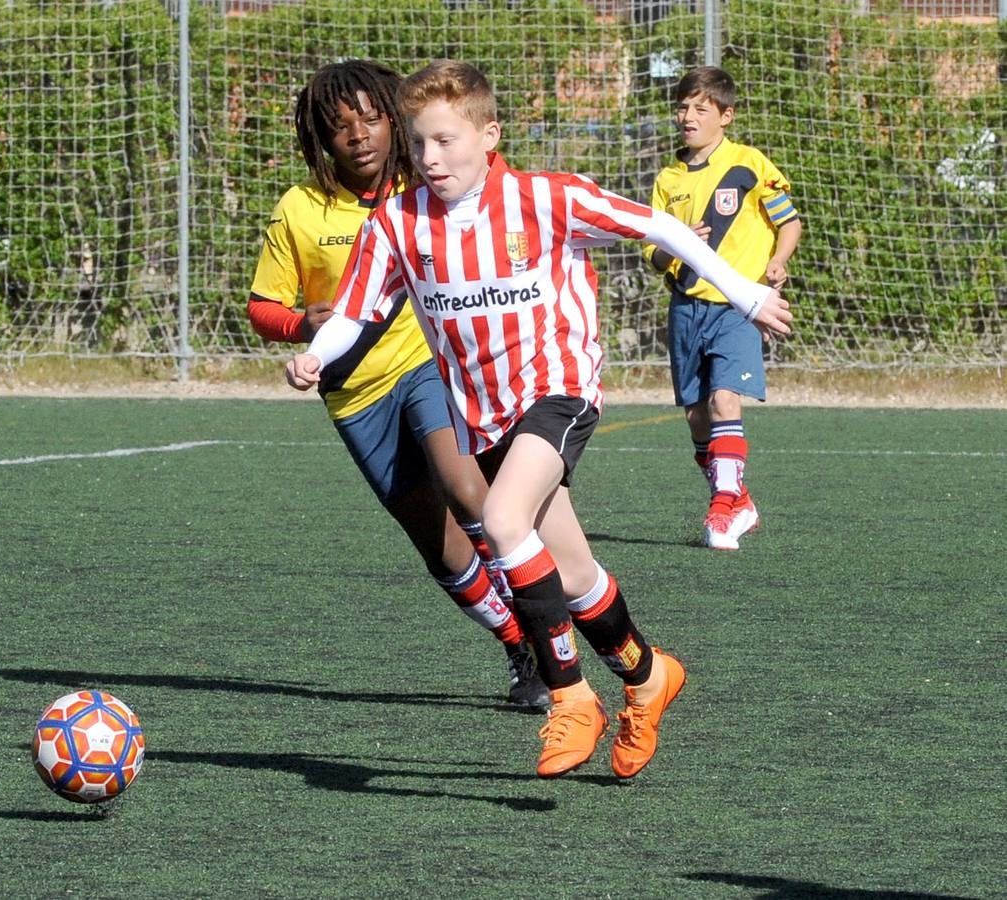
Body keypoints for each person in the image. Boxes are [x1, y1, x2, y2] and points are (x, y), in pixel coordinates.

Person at [286, 60, 793, 779]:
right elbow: (358, 311)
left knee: (499, 524)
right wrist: (316, 353)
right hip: (483, 416)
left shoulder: (542, 199)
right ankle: (649, 677)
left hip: (557, 392)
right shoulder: (396, 224)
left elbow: (657, 225)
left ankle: (570, 698)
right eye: (419, 144)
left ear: (488, 135)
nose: (430, 159)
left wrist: (742, 293)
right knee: (575, 574)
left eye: (446, 142)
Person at [248, 60, 549, 710]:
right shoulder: (300, 209)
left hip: (433, 364)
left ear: (393, 117)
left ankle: (549, 635)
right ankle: (513, 639)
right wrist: (304, 322)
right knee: (434, 540)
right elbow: (261, 308)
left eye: (370, 117)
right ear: (319, 139)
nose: (357, 134)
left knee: (471, 490)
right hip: (355, 394)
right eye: (338, 125)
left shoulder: (431, 185)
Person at [643, 66, 802, 551]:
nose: (687, 116)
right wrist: (678, 244)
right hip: (685, 308)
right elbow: (653, 255)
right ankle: (739, 500)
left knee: (723, 402)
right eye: (682, 107)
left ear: (725, 116)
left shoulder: (748, 163)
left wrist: (777, 261)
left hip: (736, 308)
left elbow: (789, 222)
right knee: (697, 419)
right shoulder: (668, 179)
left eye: (700, 108)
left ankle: (719, 511)